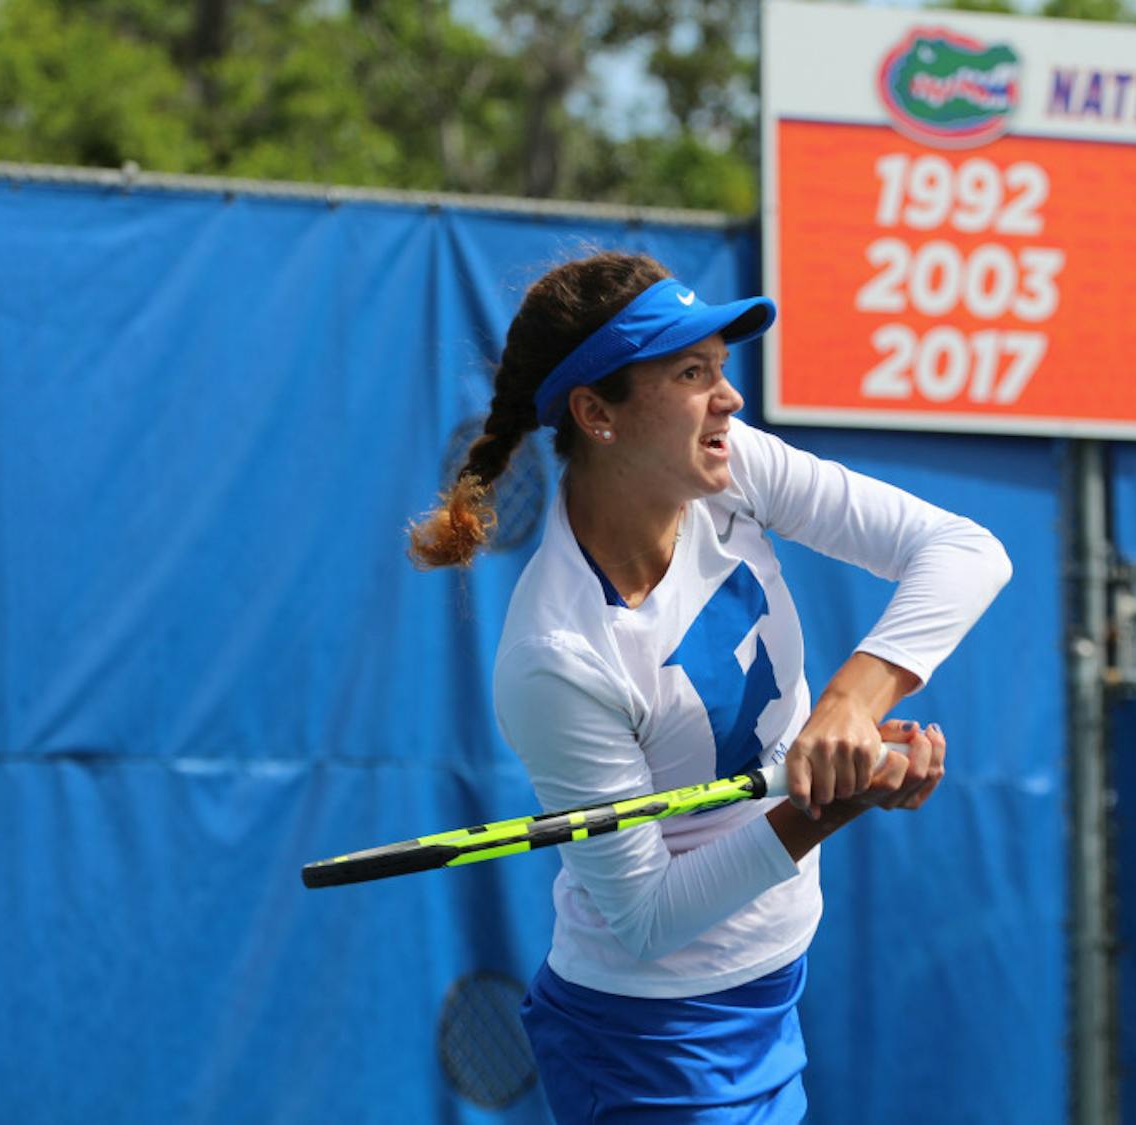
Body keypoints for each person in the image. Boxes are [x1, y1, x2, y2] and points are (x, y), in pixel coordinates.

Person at [409, 251, 1011, 1123]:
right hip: (650, 1045)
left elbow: (966, 553)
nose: (728, 398)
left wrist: (853, 704)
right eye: (691, 373)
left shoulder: (732, 468)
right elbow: (648, 918)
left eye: (720, 369)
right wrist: (833, 800)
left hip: (771, 987)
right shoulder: (556, 654)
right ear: (596, 413)